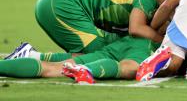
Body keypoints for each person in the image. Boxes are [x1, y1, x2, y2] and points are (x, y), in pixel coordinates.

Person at [5, 0, 161, 62]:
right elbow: (136, 28)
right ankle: (30, 57)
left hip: (56, 0)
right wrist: (164, 41)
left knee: (103, 50)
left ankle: (30, 56)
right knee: (100, 55)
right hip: (61, 3)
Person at [0, 36, 159, 84]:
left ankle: (31, 56)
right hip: (149, 42)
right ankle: (88, 70)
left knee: (53, 68)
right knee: (129, 68)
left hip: (125, 39)